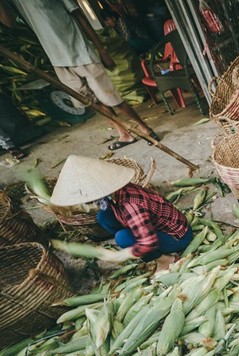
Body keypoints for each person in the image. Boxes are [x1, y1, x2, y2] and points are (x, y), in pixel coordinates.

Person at [0, 0, 159, 151]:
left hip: (81, 52)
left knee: (112, 98)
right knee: (92, 101)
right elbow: (10, 24)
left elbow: (79, 15)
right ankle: (124, 134)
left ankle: (145, 129)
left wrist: (101, 50)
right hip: (57, 59)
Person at [50, 155, 193, 267]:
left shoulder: (131, 205)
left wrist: (121, 255)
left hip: (177, 236)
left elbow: (148, 242)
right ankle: (135, 240)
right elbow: (93, 206)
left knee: (123, 238)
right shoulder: (113, 192)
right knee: (103, 216)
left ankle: (165, 259)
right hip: (151, 226)